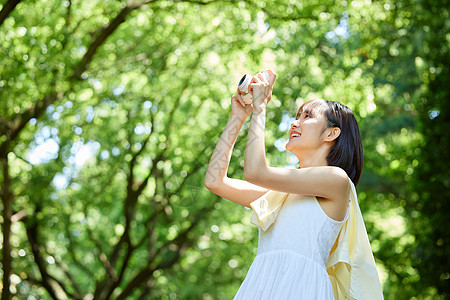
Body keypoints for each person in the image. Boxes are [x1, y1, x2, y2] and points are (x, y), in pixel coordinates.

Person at [204, 70, 382, 299]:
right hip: (261, 287)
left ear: (331, 133)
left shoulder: (336, 180)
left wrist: (260, 108)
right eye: (297, 116)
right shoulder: (278, 194)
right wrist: (238, 116)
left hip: (302, 289)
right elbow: (214, 181)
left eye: (307, 116)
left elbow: (255, 172)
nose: (294, 123)